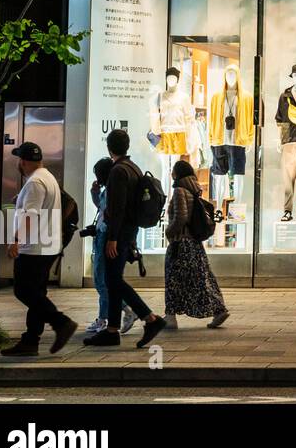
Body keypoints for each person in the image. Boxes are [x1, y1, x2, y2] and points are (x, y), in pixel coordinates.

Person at [83, 128, 167, 349]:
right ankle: (112, 331)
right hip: (128, 231)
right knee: (113, 280)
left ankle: (150, 318)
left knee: (114, 280)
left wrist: (112, 238)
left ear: (109, 148)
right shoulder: (133, 168)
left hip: (119, 234)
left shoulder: (118, 171)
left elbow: (117, 208)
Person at [0, 143, 77, 357]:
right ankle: (31, 341)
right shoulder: (47, 177)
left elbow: (31, 215)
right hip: (47, 245)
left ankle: (61, 322)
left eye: (19, 161)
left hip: (34, 247)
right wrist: (21, 201)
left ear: (23, 162)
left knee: (23, 290)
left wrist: (16, 239)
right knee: (36, 292)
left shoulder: (34, 182)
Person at [162, 159, 229, 330]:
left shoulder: (179, 191)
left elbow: (181, 217)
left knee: (173, 279)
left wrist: (169, 232)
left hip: (180, 243)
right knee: (201, 278)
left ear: (176, 174)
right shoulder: (194, 189)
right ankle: (218, 309)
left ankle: (171, 316)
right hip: (194, 244)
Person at [82, 158, 137, 336]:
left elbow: (108, 213)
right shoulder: (108, 191)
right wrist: (95, 192)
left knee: (102, 281)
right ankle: (106, 317)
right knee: (107, 280)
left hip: (105, 236)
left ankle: (124, 311)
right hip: (106, 236)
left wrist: (110, 239)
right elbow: (104, 208)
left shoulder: (110, 191)